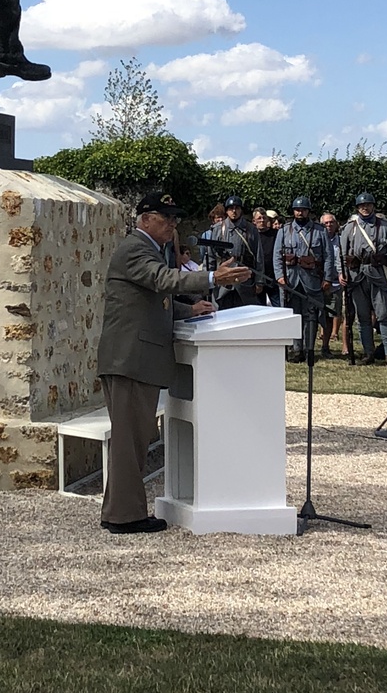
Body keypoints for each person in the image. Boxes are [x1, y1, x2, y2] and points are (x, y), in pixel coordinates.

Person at [97, 191, 249, 534]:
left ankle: (119, 511)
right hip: (129, 359)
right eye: (167, 219)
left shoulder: (148, 249)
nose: (172, 225)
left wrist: (188, 310)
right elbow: (163, 281)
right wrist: (213, 279)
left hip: (134, 358)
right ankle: (126, 517)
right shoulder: (136, 248)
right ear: (146, 219)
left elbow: (151, 303)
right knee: (129, 441)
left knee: (132, 440)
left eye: (175, 219)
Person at [339, 192, 387, 364]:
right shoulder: (350, 228)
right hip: (357, 276)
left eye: (368, 205)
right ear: (357, 208)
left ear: (373, 206)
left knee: (383, 316)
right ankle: (368, 353)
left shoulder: (386, 227)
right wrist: (341, 273)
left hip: (378, 275)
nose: (365, 208)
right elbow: (343, 254)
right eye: (361, 206)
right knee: (363, 317)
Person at [273, 196, 335, 361]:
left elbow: (329, 256)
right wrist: (279, 276)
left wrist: (328, 277)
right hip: (291, 280)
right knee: (294, 315)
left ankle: (309, 349)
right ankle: (296, 349)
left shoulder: (320, 231)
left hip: (312, 279)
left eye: (303, 209)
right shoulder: (284, 230)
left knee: (311, 315)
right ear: (293, 211)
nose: (300, 212)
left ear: (308, 211)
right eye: (297, 209)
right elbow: (277, 256)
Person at [209, 195, 263, 308]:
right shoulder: (218, 229)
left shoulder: (251, 229)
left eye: (237, 208)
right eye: (230, 208)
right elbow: (211, 257)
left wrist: (259, 281)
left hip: (244, 280)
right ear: (226, 211)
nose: (234, 211)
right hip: (223, 281)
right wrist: (209, 279)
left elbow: (258, 256)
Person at [320, 212, 351, 357]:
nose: (328, 225)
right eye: (325, 223)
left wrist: (341, 274)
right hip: (318, 283)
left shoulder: (341, 240)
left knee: (334, 314)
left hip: (335, 283)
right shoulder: (317, 239)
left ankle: (326, 347)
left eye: (331, 222)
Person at [252, 208, 279, 305]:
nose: (262, 220)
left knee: (279, 310)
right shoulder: (251, 236)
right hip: (257, 280)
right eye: (259, 218)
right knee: (260, 312)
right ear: (254, 221)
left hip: (274, 280)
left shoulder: (276, 234)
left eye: (264, 218)